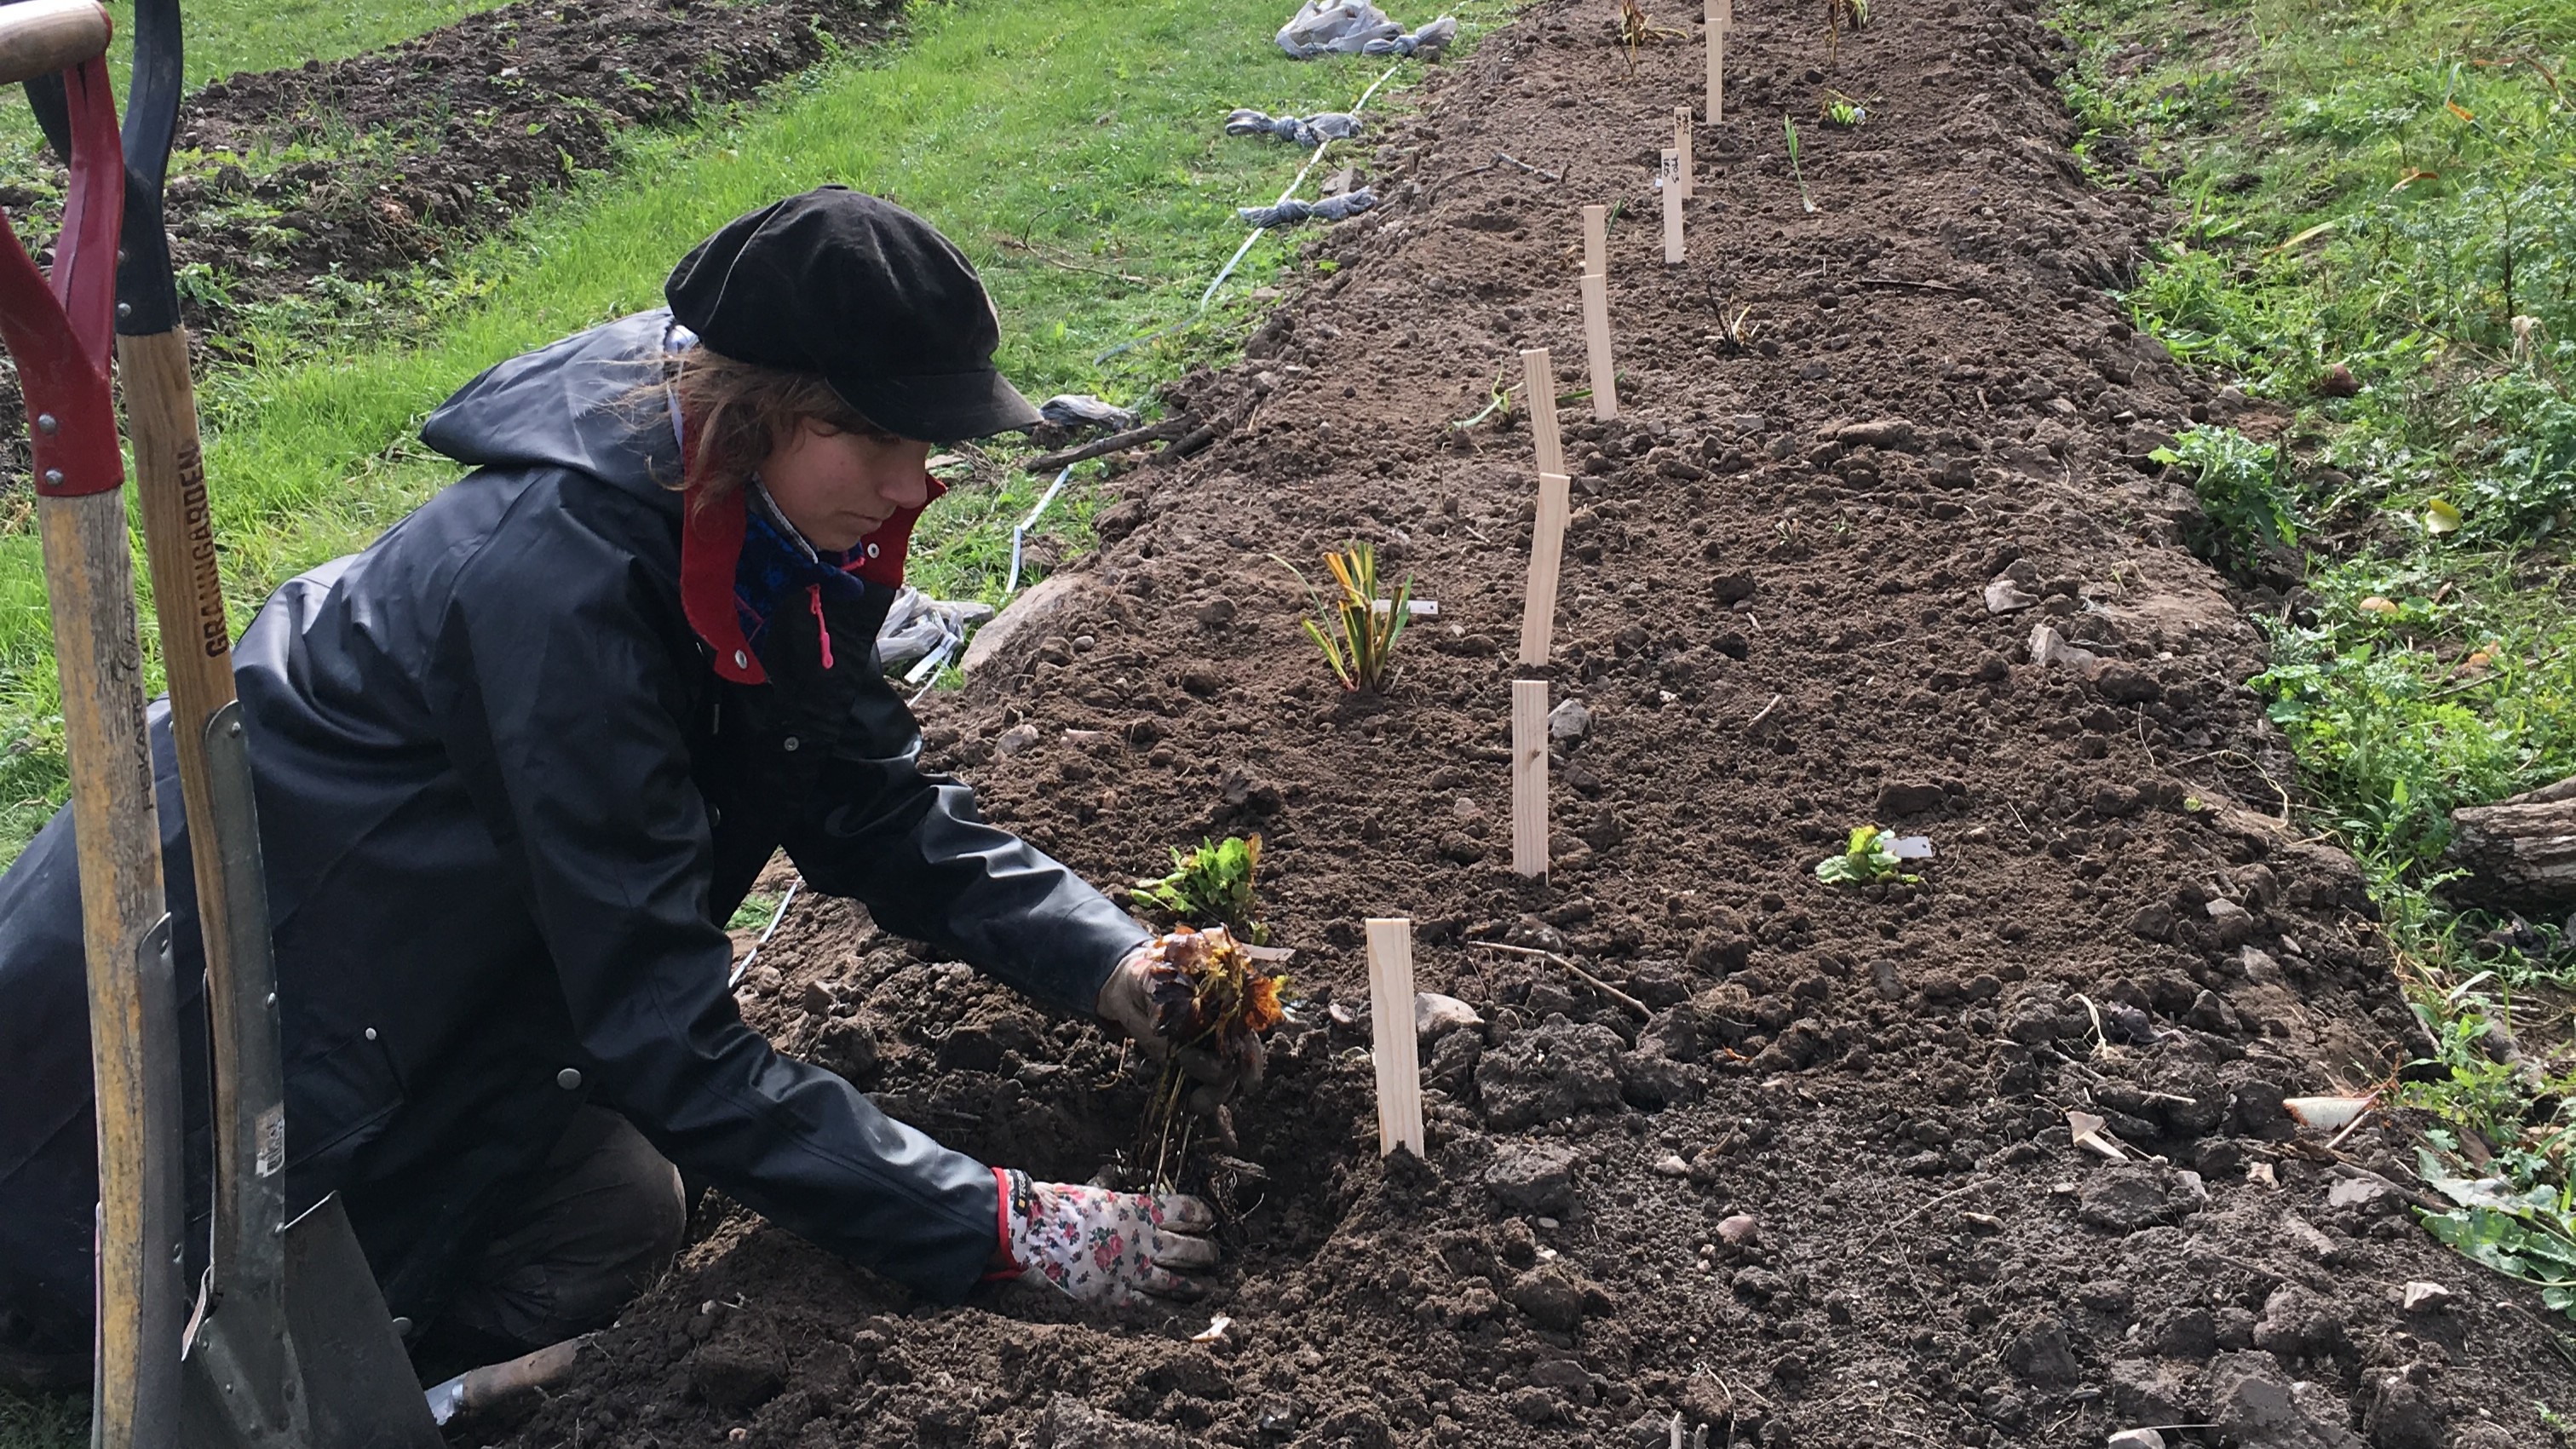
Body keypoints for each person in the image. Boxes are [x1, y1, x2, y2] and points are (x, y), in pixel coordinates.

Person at [0, 187, 1247, 1389]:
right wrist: (999, 1226)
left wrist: (1113, 962)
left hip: (404, 972)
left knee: (623, 1200)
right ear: (764, 412)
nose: (912, 482)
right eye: (880, 438)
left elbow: (869, 806)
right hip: (167, 1071)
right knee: (617, 1218)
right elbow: (660, 1027)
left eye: (924, 443)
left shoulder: (747, 518)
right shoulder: (560, 598)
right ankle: (260, 1352)